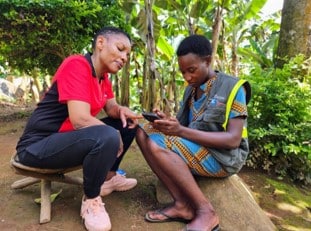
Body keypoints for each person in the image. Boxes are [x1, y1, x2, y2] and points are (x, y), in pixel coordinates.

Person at [15, 26, 140, 231]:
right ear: (100, 43)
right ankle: (91, 199)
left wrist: (122, 110)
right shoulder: (77, 65)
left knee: (126, 124)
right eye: (120, 48)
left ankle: (107, 179)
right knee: (108, 134)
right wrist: (112, 134)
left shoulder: (103, 77)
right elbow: (80, 119)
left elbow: (111, 108)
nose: (125, 57)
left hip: (66, 140)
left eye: (128, 53)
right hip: (37, 146)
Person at [135, 34, 251, 231]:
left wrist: (179, 131)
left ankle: (206, 212)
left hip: (224, 157)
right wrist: (166, 122)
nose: (187, 77)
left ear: (207, 61)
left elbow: (233, 140)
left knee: (159, 143)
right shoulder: (191, 89)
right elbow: (182, 127)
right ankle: (182, 205)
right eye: (183, 73)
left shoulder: (233, 87)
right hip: (197, 148)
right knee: (142, 131)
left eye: (191, 70)